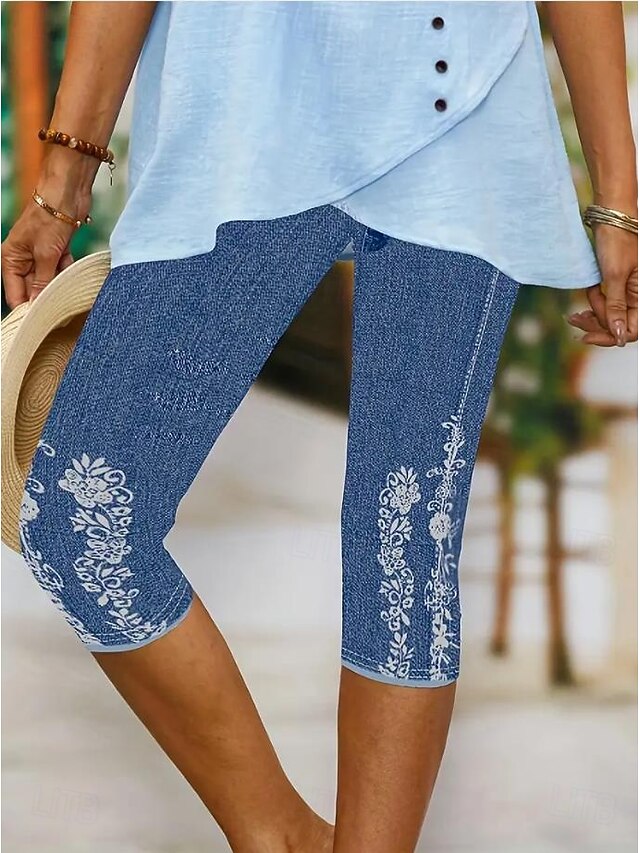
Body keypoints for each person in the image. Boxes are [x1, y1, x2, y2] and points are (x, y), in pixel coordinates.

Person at [2, 2, 637, 851]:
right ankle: (283, 837)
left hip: (463, 108)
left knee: (404, 544)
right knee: (80, 518)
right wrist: (65, 172)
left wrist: (620, 200)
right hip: (244, 110)